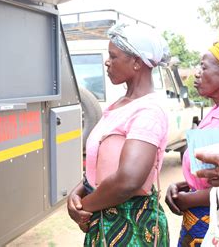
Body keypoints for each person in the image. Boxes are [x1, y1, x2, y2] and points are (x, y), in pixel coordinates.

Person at [67, 23, 171, 246]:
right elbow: (101, 165)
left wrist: (83, 207)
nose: (107, 61)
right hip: (107, 220)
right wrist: (77, 193)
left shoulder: (148, 111)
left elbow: (128, 180)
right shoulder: (119, 106)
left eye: (113, 56)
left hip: (132, 227)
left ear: (136, 62)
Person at [165, 40, 219, 246]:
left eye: (203, 66)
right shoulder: (216, 112)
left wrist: (188, 199)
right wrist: (185, 186)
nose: (197, 73)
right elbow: (211, 173)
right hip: (202, 217)